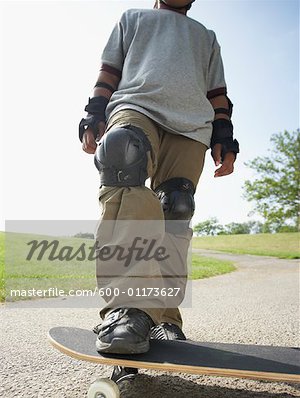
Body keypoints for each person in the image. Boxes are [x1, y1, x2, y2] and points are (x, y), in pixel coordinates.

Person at [79, 0, 239, 354]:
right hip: (135, 106)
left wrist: (224, 134)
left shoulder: (206, 37)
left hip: (192, 124)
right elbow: (109, 71)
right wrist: (94, 111)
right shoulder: (133, 19)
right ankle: (129, 309)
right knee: (123, 156)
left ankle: (164, 317)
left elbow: (217, 93)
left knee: (176, 208)